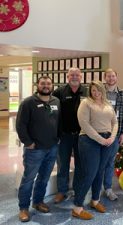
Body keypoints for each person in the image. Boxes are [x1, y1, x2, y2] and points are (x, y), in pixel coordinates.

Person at [16, 76, 60, 222]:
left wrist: (57, 139)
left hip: (52, 147)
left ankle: (38, 202)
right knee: (28, 179)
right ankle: (23, 208)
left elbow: (58, 122)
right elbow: (20, 125)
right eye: (43, 84)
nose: (46, 86)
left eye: (48, 84)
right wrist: (28, 142)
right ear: (38, 85)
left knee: (44, 178)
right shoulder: (28, 103)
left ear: (52, 86)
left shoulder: (56, 102)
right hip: (34, 149)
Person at [72, 81, 118, 220]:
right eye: (93, 90)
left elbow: (115, 122)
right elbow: (84, 124)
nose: (96, 93)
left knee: (100, 171)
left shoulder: (107, 104)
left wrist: (112, 137)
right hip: (89, 140)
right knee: (90, 173)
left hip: (107, 141)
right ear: (90, 91)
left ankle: (95, 201)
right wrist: (100, 139)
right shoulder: (86, 103)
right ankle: (77, 207)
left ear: (102, 90)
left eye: (98, 90)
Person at [52, 67, 87, 204]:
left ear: (81, 77)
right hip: (64, 135)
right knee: (63, 163)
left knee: (80, 164)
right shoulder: (59, 92)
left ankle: (78, 189)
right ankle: (62, 191)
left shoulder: (87, 91)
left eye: (77, 75)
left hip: (82, 135)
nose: (74, 77)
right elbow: (52, 113)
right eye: (71, 75)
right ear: (67, 77)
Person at [103, 68, 123, 201]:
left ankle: (108, 188)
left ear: (116, 78)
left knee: (110, 162)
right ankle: (94, 188)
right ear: (105, 78)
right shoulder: (99, 92)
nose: (111, 78)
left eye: (113, 76)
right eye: (108, 76)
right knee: (96, 162)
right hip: (99, 132)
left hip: (115, 133)